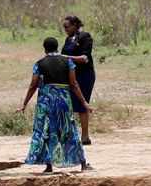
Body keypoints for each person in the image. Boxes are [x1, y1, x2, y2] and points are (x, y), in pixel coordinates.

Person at [17, 36, 88, 173]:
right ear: (57, 47)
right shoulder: (67, 61)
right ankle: (82, 163)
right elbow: (73, 83)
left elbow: (33, 85)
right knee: (69, 129)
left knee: (47, 131)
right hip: (63, 99)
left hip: (47, 100)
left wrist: (25, 103)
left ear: (45, 49)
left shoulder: (40, 63)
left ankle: (49, 165)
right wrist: (84, 102)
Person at [60, 15, 95, 146]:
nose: (66, 30)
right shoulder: (68, 39)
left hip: (85, 74)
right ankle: (71, 134)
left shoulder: (84, 37)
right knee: (70, 103)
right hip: (72, 74)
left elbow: (85, 58)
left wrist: (65, 57)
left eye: (67, 27)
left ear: (75, 25)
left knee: (83, 102)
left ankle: (85, 136)